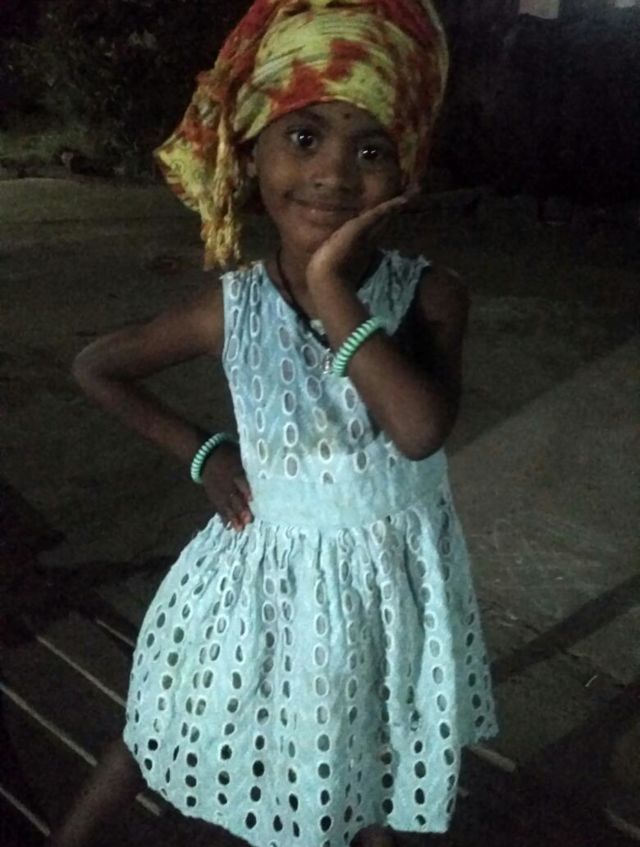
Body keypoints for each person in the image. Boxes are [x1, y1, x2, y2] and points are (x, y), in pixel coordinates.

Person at [51, 1, 497, 845]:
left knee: (367, 762)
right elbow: (96, 366)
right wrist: (203, 452)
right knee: (160, 728)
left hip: (382, 599)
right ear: (251, 151)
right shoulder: (233, 308)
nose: (334, 173)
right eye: (303, 137)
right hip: (256, 589)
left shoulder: (432, 296)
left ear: (407, 170)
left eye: (371, 149)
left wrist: (331, 289)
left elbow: (417, 430)